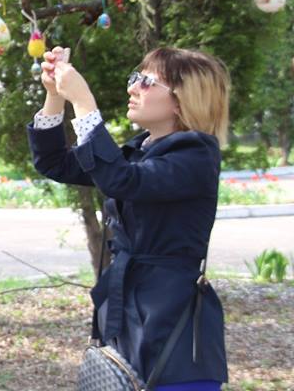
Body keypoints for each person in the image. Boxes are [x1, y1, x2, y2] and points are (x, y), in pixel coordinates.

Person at [27, 46, 230, 389]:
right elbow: (56, 163)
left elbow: (121, 180)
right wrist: (55, 97)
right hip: (128, 313)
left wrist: (84, 101)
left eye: (147, 81)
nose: (132, 88)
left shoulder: (196, 154)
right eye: (135, 78)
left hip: (171, 323)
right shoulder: (141, 151)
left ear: (183, 99)